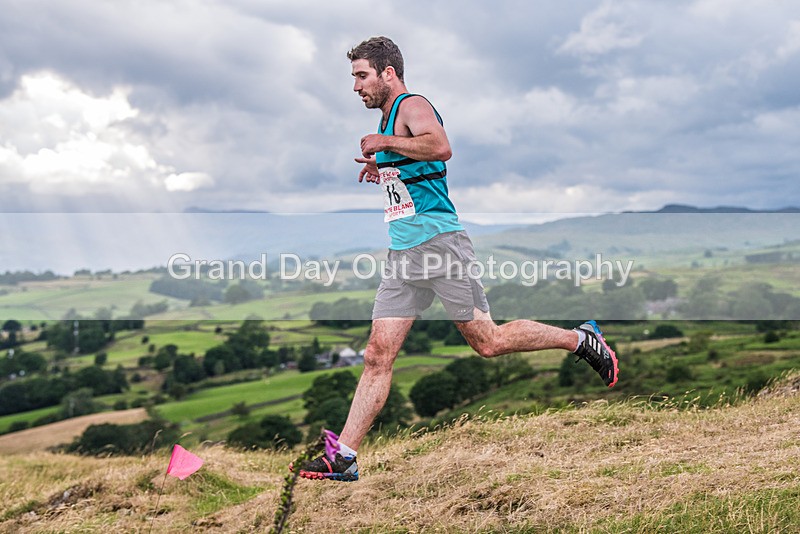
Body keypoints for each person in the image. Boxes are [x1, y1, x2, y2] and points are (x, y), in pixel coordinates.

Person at [295, 36, 618, 482]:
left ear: (388, 73)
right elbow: (417, 163)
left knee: (488, 343)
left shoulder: (411, 105)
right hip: (405, 253)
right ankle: (345, 457)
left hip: (441, 244)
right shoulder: (394, 121)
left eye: (361, 76)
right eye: (354, 78)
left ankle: (580, 339)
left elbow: (440, 146)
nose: (355, 87)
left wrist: (385, 142)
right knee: (376, 353)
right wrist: (385, 167)